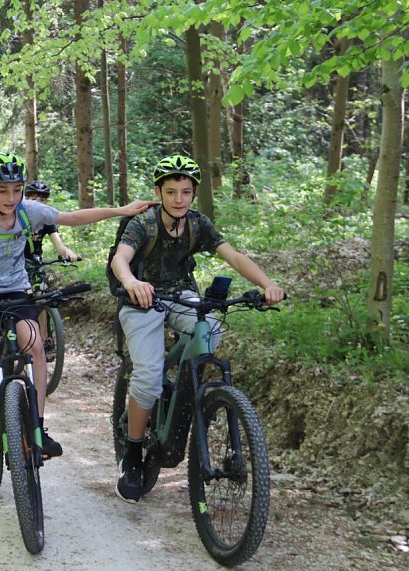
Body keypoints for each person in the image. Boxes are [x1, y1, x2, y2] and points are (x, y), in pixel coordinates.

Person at [0, 152, 156, 461]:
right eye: (2, 190)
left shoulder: (28, 212)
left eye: (16, 189)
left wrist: (120, 210)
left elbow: (72, 217)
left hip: (15, 289)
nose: (11, 197)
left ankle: (38, 428)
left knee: (35, 346)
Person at [109, 154, 285, 504]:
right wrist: (132, 282)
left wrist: (268, 284)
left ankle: (176, 383)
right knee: (146, 375)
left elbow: (233, 257)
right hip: (141, 299)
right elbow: (120, 259)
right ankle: (131, 453)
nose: (178, 199)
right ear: (158, 191)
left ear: (193, 194)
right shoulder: (143, 223)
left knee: (210, 328)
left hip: (181, 296)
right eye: (171, 191)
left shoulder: (197, 224)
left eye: (186, 192)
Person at [23, 180, 79, 262]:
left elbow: (59, 245)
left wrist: (67, 252)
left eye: (42, 200)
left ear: (46, 201)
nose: (37, 204)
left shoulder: (47, 220)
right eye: (33, 199)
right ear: (26, 199)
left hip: (35, 260)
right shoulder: (18, 216)